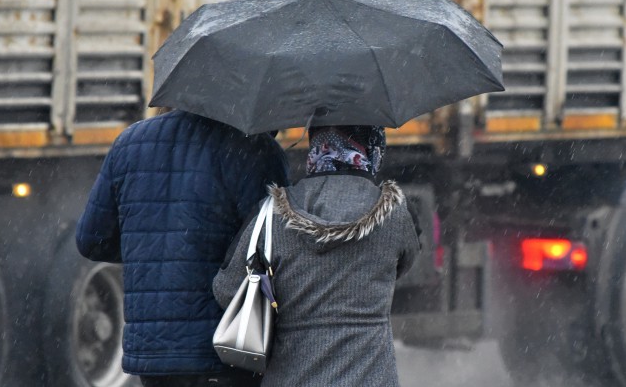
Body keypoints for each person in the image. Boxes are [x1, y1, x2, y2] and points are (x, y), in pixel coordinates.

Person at [76, 110, 289, 387]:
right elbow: (276, 246)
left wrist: (151, 249)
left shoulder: (130, 142)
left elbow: (92, 239)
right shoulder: (253, 148)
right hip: (228, 347)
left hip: (153, 355)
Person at [213, 124, 420, 386]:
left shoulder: (270, 215)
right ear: (372, 145)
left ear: (316, 144)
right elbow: (403, 264)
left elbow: (226, 290)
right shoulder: (396, 213)